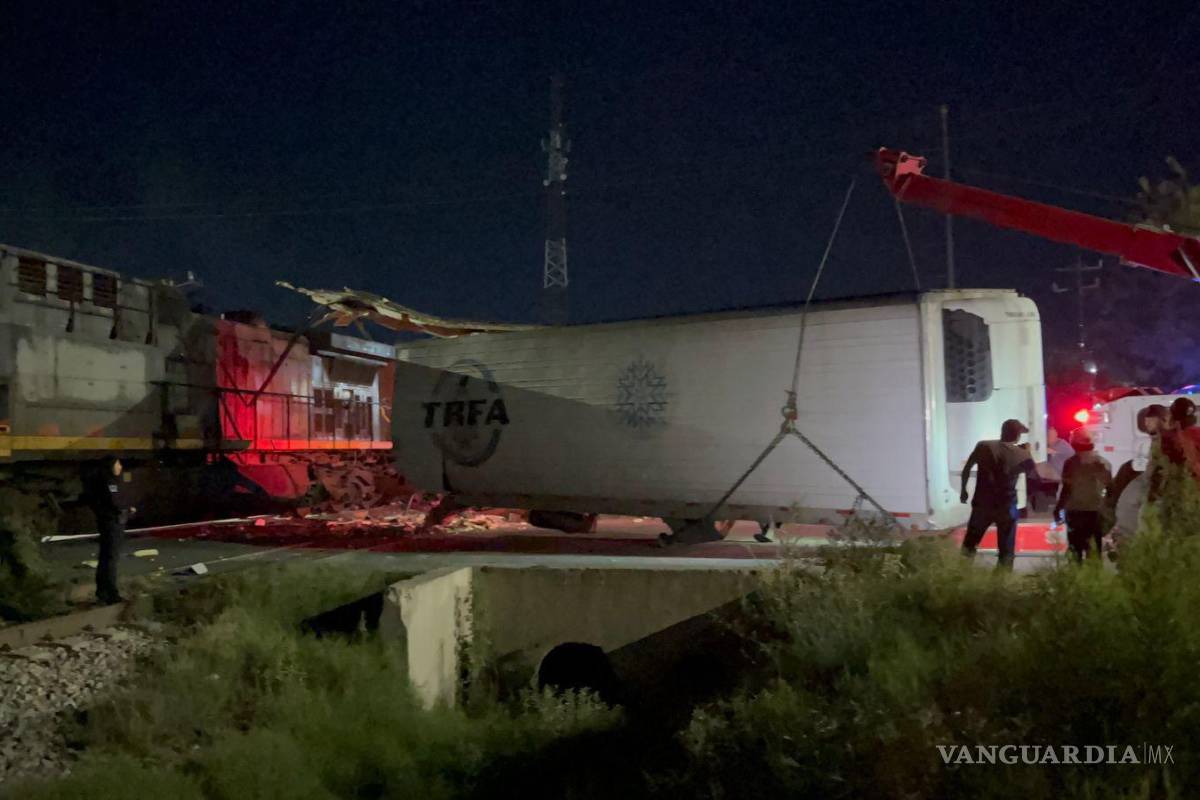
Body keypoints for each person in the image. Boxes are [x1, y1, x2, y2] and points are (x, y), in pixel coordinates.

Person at [959, 419, 1039, 569]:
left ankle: (960, 577)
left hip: (982, 504)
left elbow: (967, 468)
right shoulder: (1022, 454)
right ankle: (1002, 583)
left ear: (1002, 431)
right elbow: (1035, 478)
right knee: (1006, 552)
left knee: (969, 546)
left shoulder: (983, 446)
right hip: (1006, 506)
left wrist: (964, 491)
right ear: (1017, 436)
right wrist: (1028, 454)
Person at [1054, 429, 1113, 562]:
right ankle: (1094, 580)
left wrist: (1058, 508)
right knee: (1094, 552)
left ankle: (1076, 580)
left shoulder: (1071, 463)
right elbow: (1111, 490)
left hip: (1075, 513)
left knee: (1075, 552)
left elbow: (1067, 489)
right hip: (1095, 512)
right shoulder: (1104, 463)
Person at [82, 457, 132, 604]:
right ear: (111, 466)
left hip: (106, 522)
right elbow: (115, 502)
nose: (120, 467)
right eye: (118, 464)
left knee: (105, 557)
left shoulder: (99, 481)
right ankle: (111, 593)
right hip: (112, 523)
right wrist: (127, 509)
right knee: (111, 558)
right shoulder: (110, 482)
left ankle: (102, 591)